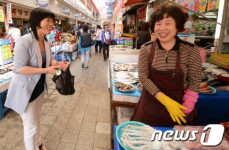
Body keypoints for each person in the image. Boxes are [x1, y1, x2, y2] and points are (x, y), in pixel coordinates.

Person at [131, 4, 202, 127]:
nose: (162, 28)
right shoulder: (146, 48)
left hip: (179, 109)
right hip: (149, 108)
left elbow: (195, 81)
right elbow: (143, 77)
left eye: (168, 23)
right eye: (158, 24)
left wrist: (187, 108)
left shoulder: (191, 50)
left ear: (178, 26)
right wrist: (165, 100)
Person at [4, 8, 62, 150]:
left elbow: (47, 61)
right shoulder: (24, 41)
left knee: (36, 121)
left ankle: (39, 144)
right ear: (37, 22)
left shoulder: (46, 41)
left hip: (39, 89)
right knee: (30, 126)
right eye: (48, 20)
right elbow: (19, 68)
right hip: (26, 91)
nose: (51, 24)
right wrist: (46, 70)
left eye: (52, 21)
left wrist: (58, 65)